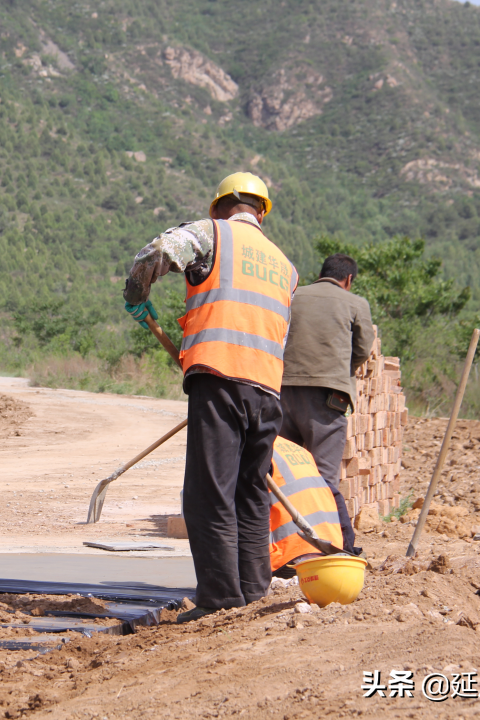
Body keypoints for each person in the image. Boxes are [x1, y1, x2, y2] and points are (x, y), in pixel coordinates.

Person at [123, 172, 297, 622]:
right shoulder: (285, 266)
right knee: (251, 493)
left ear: (220, 207)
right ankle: (253, 591)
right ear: (262, 212)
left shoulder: (211, 233)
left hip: (219, 377)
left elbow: (156, 253)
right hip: (267, 390)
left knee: (209, 493)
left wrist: (137, 293)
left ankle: (220, 599)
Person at [278, 253, 373, 554]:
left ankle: (284, 548)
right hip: (326, 399)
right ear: (348, 280)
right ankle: (341, 545)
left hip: (282, 392)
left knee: (282, 474)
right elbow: (363, 349)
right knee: (324, 477)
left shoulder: (294, 296)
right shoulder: (355, 303)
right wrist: (339, 372)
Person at [268, 436, 344, 578]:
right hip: (332, 554)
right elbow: (336, 495)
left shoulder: (253, 451)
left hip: (288, 560)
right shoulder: (299, 450)